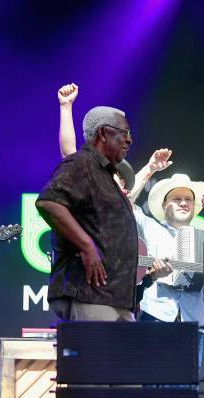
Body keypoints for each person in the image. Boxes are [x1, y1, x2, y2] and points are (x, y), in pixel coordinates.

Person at [35, 100, 138, 321]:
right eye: (124, 132)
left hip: (115, 298)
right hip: (89, 294)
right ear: (103, 133)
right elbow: (49, 202)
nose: (129, 139)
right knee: (95, 356)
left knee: (121, 356)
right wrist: (86, 246)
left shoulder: (106, 175)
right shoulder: (81, 163)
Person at [136, 173, 204, 369]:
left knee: (186, 391)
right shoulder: (149, 227)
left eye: (188, 199)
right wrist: (150, 169)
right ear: (164, 205)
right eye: (176, 199)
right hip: (155, 316)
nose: (183, 203)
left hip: (193, 322)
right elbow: (124, 204)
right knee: (153, 386)